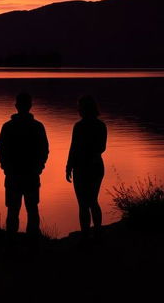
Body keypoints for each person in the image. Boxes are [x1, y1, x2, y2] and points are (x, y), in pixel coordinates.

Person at [0, 92, 49, 235]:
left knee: (15, 210)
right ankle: (31, 240)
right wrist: (39, 168)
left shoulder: (7, 127)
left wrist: (6, 168)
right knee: (31, 209)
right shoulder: (38, 127)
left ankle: (13, 240)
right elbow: (44, 150)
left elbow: (1, 150)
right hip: (27, 174)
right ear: (30, 106)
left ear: (16, 106)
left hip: (17, 175)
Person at [66, 95, 107, 239]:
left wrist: (70, 165)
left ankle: (89, 233)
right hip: (92, 166)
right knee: (91, 201)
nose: (78, 110)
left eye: (80, 107)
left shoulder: (81, 126)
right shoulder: (99, 125)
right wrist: (69, 166)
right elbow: (101, 148)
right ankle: (94, 232)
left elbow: (76, 148)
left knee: (85, 203)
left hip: (85, 167)